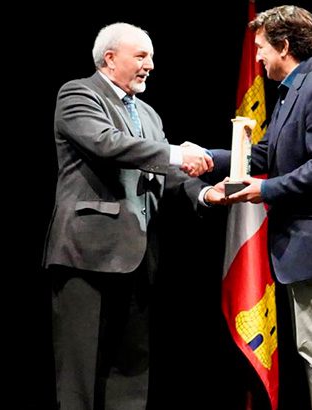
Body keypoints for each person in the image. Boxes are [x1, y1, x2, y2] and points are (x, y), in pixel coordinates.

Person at [203, 5, 312, 410]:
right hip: (307, 240)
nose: (258, 57)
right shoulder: (294, 88)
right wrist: (208, 159)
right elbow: (266, 153)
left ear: (284, 46)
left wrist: (265, 190)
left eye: (261, 47)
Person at [43, 22, 213, 410]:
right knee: (80, 369)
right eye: (141, 56)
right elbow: (108, 145)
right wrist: (177, 153)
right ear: (110, 58)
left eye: (150, 57)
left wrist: (204, 193)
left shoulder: (148, 114)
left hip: (138, 255)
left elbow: (165, 173)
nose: (150, 65)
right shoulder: (78, 94)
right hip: (86, 254)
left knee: (130, 369)